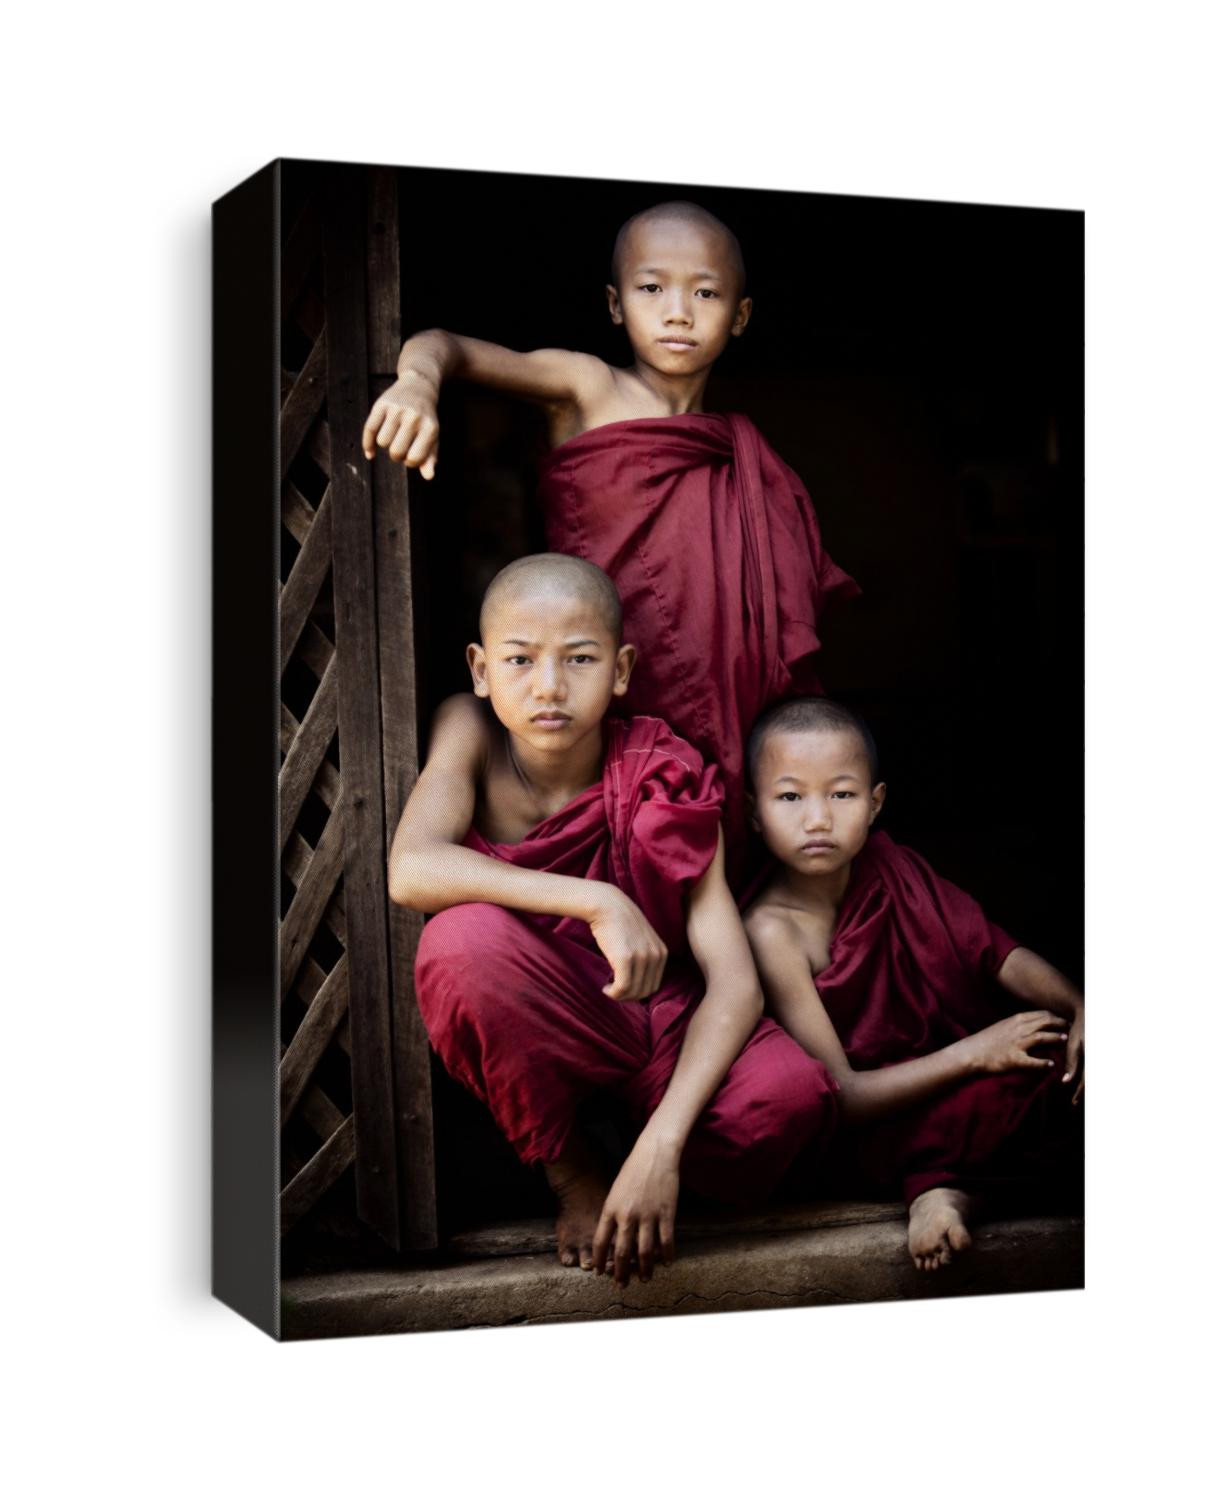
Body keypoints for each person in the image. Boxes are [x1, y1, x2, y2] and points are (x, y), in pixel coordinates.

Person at [388, 554, 837, 1288]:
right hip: (546, 1012)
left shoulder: (661, 768)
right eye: (520, 659)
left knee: (787, 1100)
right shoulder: (468, 728)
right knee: (459, 946)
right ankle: (574, 1170)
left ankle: (644, 1162)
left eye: (580, 659)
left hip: (661, 1022)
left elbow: (735, 985)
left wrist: (660, 1148)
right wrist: (597, 898)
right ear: (479, 668)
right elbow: (412, 868)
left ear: (622, 669)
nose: (549, 686)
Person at [362, 200, 858, 864]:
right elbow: (444, 345)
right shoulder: (588, 387)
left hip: (731, 696)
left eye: (705, 292)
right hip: (609, 683)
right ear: (616, 303)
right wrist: (416, 384)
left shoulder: (741, 453)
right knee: (635, 833)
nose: (677, 310)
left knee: (733, 843)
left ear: (739, 315)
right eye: (652, 288)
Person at [742, 697, 1084, 1272]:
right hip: (876, 1123)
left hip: (946, 1079)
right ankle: (938, 1192)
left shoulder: (891, 866)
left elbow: (995, 954)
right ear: (754, 812)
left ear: (876, 803)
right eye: (790, 796)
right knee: (995, 1106)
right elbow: (843, 1097)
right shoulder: (770, 931)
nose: (818, 818)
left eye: (842, 794)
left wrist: (1080, 1006)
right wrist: (975, 1054)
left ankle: (947, 1191)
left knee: (1066, 1071)